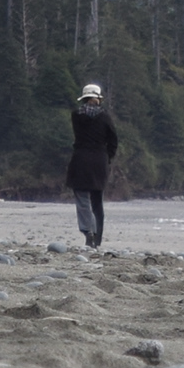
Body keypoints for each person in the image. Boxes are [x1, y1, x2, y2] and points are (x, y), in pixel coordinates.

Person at [66, 82, 117, 249]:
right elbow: (113, 140)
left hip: (80, 159)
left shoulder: (76, 115)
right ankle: (97, 238)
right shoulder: (105, 117)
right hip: (99, 161)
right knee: (97, 201)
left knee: (82, 199)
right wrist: (108, 156)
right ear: (98, 99)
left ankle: (88, 232)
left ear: (84, 99)